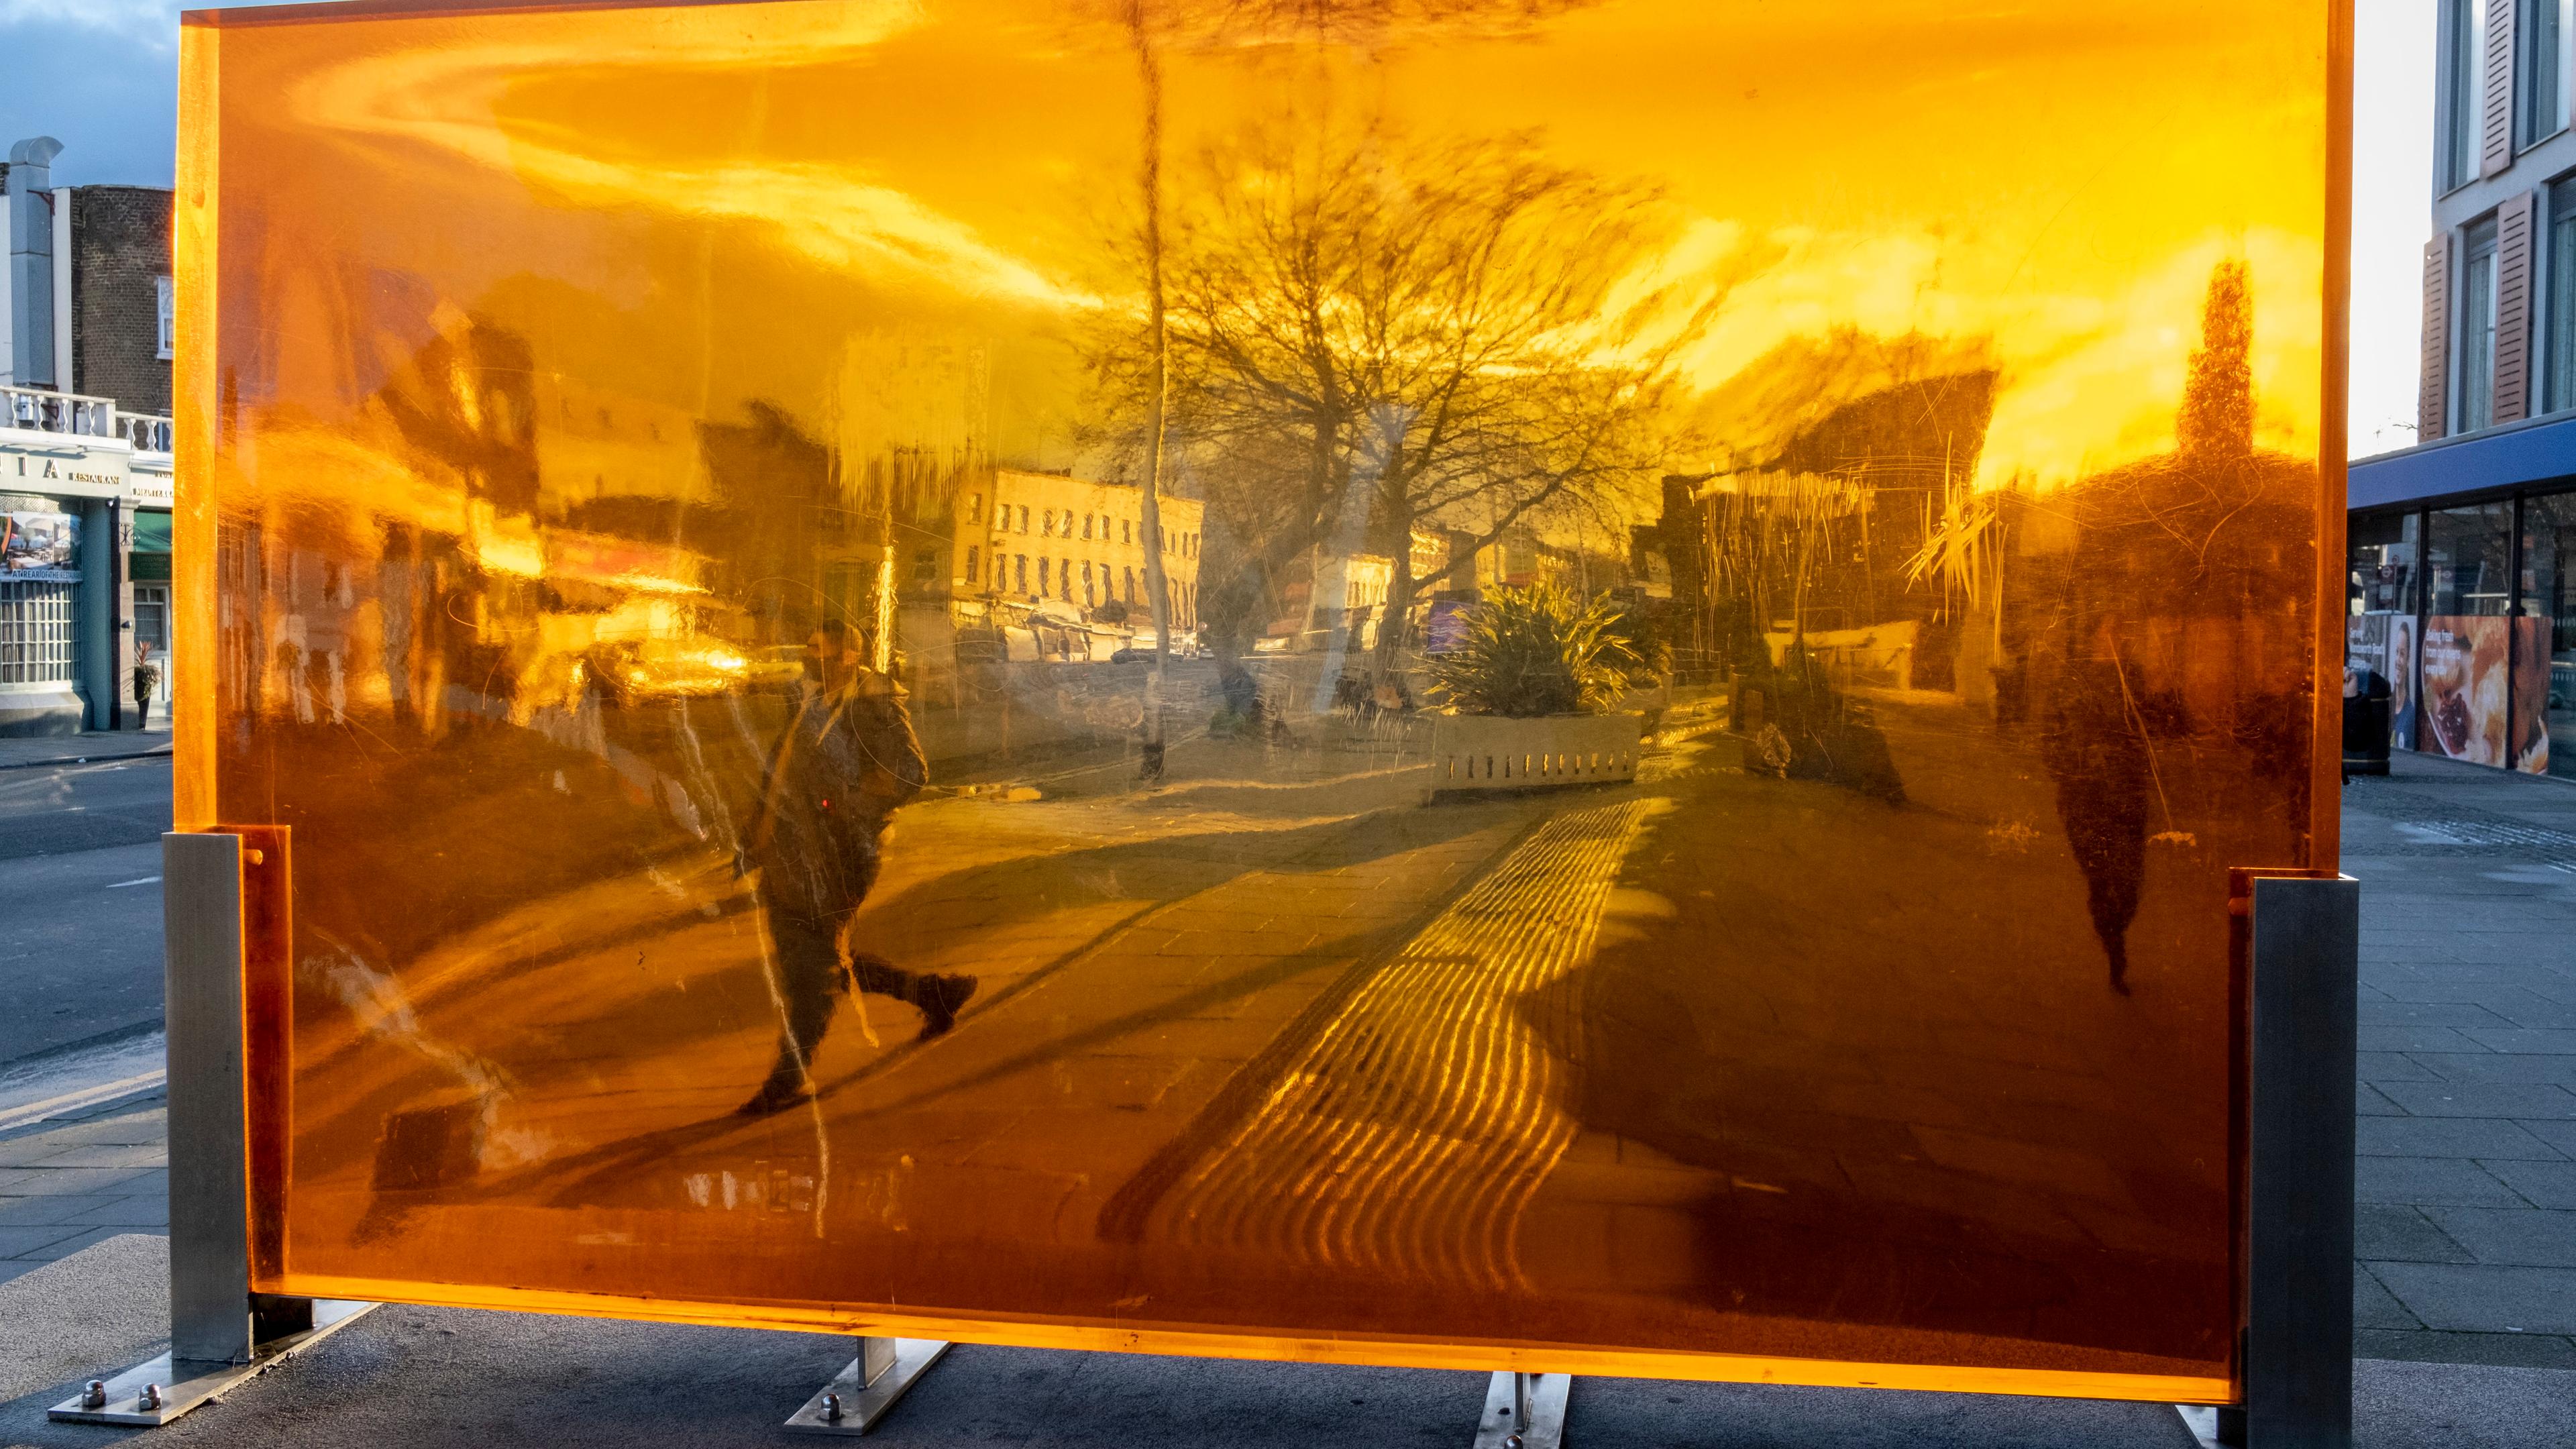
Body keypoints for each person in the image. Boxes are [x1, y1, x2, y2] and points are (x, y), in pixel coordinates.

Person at [737, 619, 976, 1117]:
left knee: (811, 967)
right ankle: (934, 993)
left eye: (817, 650)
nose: (806, 657)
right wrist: (753, 840)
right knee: (815, 959)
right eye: (806, 648)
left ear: (847, 657)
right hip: (790, 853)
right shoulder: (805, 699)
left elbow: (912, 772)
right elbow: (780, 770)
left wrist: (849, 811)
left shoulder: (872, 706)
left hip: (843, 854)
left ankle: (788, 1076)